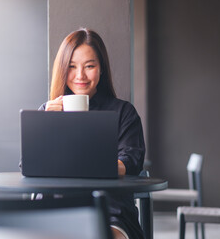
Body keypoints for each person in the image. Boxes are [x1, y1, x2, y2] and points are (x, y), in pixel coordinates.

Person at [39, 28, 145, 239]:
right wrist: (49, 123)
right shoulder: (48, 111)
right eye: (71, 67)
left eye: (89, 66)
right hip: (56, 206)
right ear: (62, 69)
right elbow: (30, 164)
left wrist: (71, 166)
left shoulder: (123, 112)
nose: (80, 76)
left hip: (111, 209)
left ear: (101, 69)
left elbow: (131, 161)